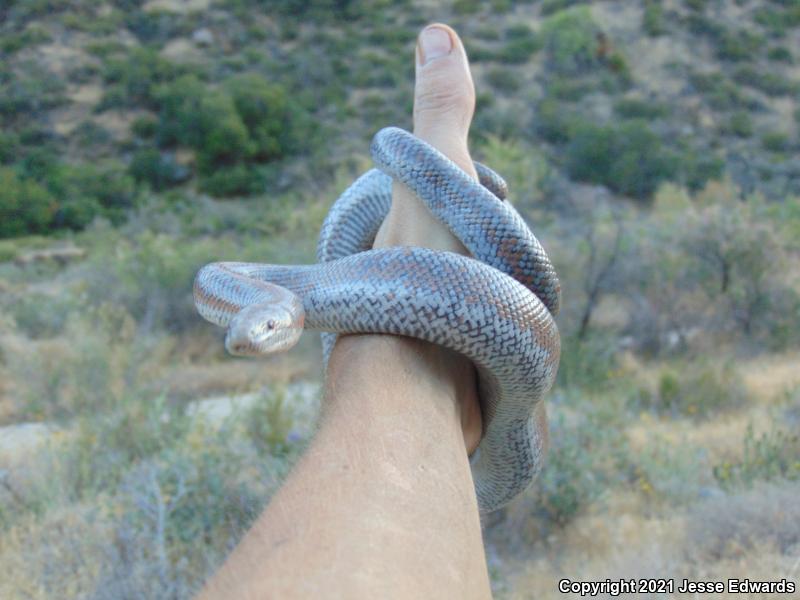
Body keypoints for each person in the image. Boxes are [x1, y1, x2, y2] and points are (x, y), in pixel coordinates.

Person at [198, 23, 493, 599]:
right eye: (246, 333)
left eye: (259, 328)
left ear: (283, 317)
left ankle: (433, 395)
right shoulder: (246, 292)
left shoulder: (285, 295)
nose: (248, 341)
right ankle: (435, 390)